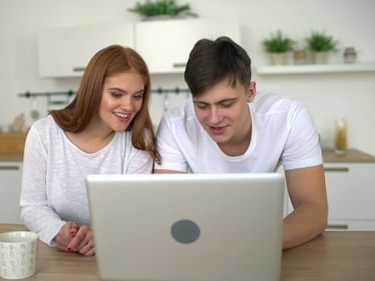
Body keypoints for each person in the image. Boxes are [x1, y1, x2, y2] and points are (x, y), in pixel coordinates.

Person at [154, 36, 328, 249]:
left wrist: (256, 244)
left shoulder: (288, 116)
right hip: (201, 245)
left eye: (226, 104)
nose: (214, 118)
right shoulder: (174, 124)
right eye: (201, 106)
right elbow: (167, 210)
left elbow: (314, 209)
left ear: (250, 92)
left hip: (265, 243)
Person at [20, 45, 160, 256]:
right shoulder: (44, 133)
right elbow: (32, 206)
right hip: (59, 258)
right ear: (93, 89)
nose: (129, 106)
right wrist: (58, 231)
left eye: (137, 96)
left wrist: (102, 234)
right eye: (116, 94)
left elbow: (133, 214)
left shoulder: (139, 140)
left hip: (118, 254)